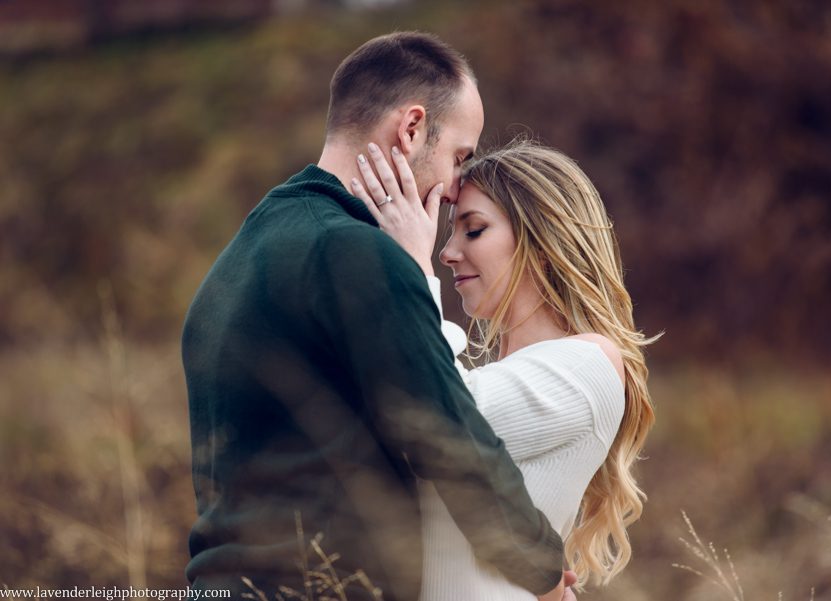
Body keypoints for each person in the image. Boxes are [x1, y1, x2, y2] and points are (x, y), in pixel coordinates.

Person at [181, 32, 575, 601]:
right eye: (459, 157)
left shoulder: (242, 254)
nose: (453, 190)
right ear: (411, 128)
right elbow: (448, 437)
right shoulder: (357, 255)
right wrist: (544, 570)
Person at [351, 137, 657, 599]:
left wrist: (412, 271)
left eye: (473, 230)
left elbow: (436, 417)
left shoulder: (590, 363)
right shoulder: (503, 374)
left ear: (542, 242)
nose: (446, 252)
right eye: (451, 233)